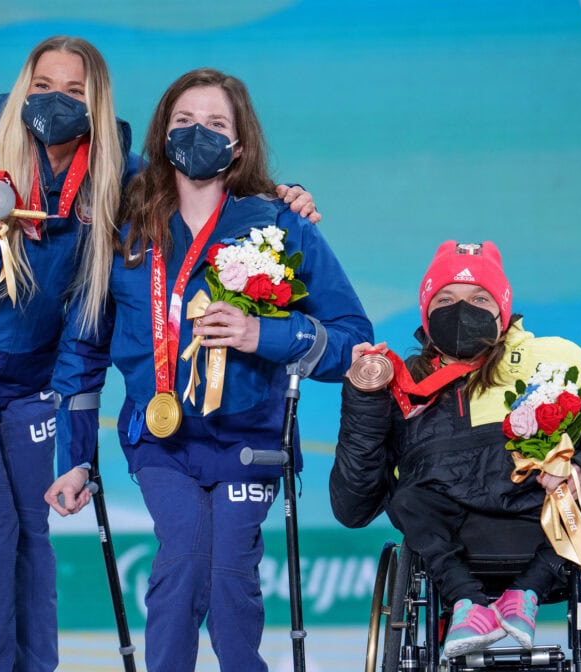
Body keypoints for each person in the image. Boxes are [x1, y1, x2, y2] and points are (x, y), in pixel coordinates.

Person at [0, 37, 317, 671]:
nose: (55, 102)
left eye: (73, 91)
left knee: (32, 535)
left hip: (31, 377)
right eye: (42, 87)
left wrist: (280, 199)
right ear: (21, 90)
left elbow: (198, 189)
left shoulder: (121, 173)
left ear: (97, 102)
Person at [45, 68, 373, 672]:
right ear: (163, 134)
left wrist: (262, 334)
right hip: (162, 438)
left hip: (251, 442)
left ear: (239, 145)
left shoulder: (280, 225)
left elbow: (354, 343)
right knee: (182, 562)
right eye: (185, 122)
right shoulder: (125, 231)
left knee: (229, 578)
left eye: (216, 124)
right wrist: (74, 459)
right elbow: (83, 351)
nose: (199, 134)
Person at [329, 240, 581, 659]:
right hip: (452, 544)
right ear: (426, 312)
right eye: (446, 298)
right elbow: (353, 507)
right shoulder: (403, 385)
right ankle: (467, 604)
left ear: (502, 309)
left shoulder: (558, 359)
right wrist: (365, 399)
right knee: (409, 496)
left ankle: (524, 593)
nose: (461, 310)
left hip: (547, 530)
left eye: (479, 298)